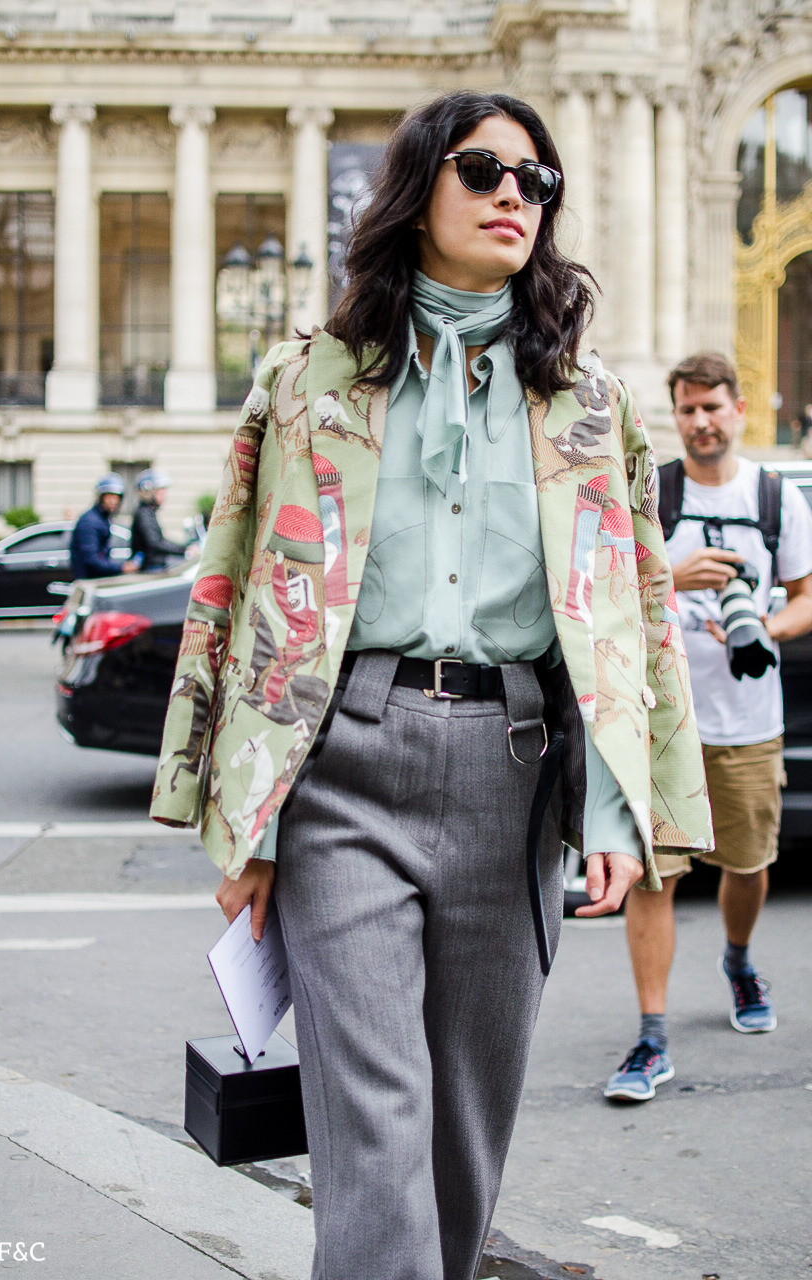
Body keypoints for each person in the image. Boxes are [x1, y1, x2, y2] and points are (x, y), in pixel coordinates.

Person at [151, 91, 712, 1280]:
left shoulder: (590, 401)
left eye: (535, 180)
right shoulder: (306, 381)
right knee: (373, 1126)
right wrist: (246, 821)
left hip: (513, 771)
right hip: (342, 766)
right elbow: (235, 588)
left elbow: (631, 611)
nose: (515, 194)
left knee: (464, 1127)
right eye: (482, 170)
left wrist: (619, 811)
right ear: (416, 193)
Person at [605, 351, 812, 1104]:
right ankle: (651, 1036)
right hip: (663, 722)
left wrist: (764, 627)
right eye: (688, 409)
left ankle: (738, 959)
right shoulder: (652, 490)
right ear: (676, 416)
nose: (701, 422)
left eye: (713, 407)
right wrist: (674, 575)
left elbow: (806, 595)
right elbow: (605, 589)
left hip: (749, 722)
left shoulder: (774, 496)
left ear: (739, 410)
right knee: (655, 875)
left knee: (748, 864)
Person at [69, 474, 138, 579]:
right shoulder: (90, 521)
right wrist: (121, 568)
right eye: (109, 496)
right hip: (89, 580)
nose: (113, 501)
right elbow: (91, 560)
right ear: (101, 497)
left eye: (117, 497)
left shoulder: (102, 518)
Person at [130, 469, 190, 571]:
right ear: (148, 492)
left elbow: (160, 540)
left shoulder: (148, 512)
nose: (164, 495)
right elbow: (155, 543)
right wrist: (185, 550)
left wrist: (184, 548)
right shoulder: (144, 514)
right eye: (160, 491)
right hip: (150, 568)